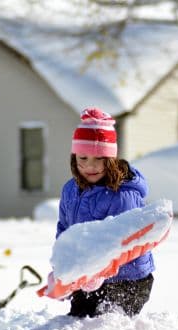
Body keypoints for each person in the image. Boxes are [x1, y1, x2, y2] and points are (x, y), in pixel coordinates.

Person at [57, 107, 155, 318]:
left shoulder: (121, 195)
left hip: (128, 279)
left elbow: (122, 240)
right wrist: (65, 268)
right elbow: (65, 230)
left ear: (110, 159)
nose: (89, 166)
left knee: (103, 325)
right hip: (89, 275)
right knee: (77, 322)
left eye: (98, 159)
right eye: (83, 158)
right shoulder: (70, 190)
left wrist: (98, 271)